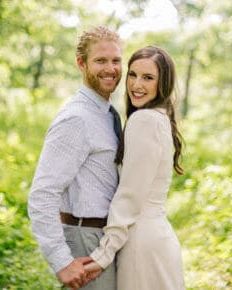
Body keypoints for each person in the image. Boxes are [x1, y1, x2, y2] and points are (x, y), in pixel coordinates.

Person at [27, 26, 123, 290]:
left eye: (116, 60)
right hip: (85, 239)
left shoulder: (107, 113)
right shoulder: (76, 119)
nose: (110, 68)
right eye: (100, 61)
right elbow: (43, 194)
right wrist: (61, 261)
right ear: (81, 64)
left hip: (105, 239)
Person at [83, 45, 186, 290]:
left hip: (142, 244)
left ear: (163, 83)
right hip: (158, 239)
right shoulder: (160, 118)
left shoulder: (144, 120)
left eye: (148, 78)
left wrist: (105, 252)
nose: (136, 85)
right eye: (133, 75)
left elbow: (130, 196)